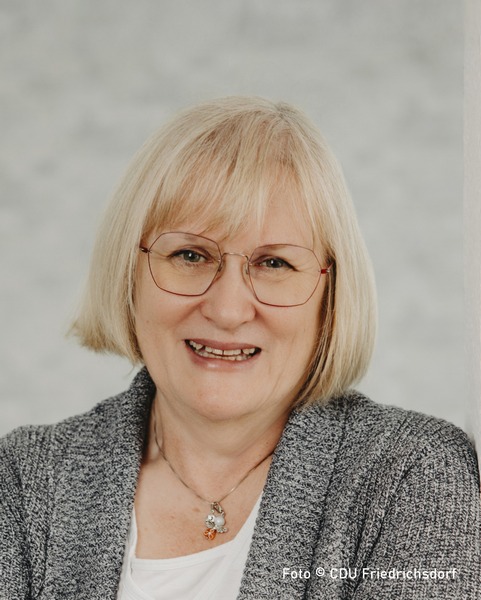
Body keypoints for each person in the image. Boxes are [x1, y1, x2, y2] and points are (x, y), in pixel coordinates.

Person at [0, 97, 479, 600]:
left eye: (274, 263)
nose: (228, 310)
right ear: (128, 273)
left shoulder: (411, 476)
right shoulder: (22, 483)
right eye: (190, 254)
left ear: (331, 292)